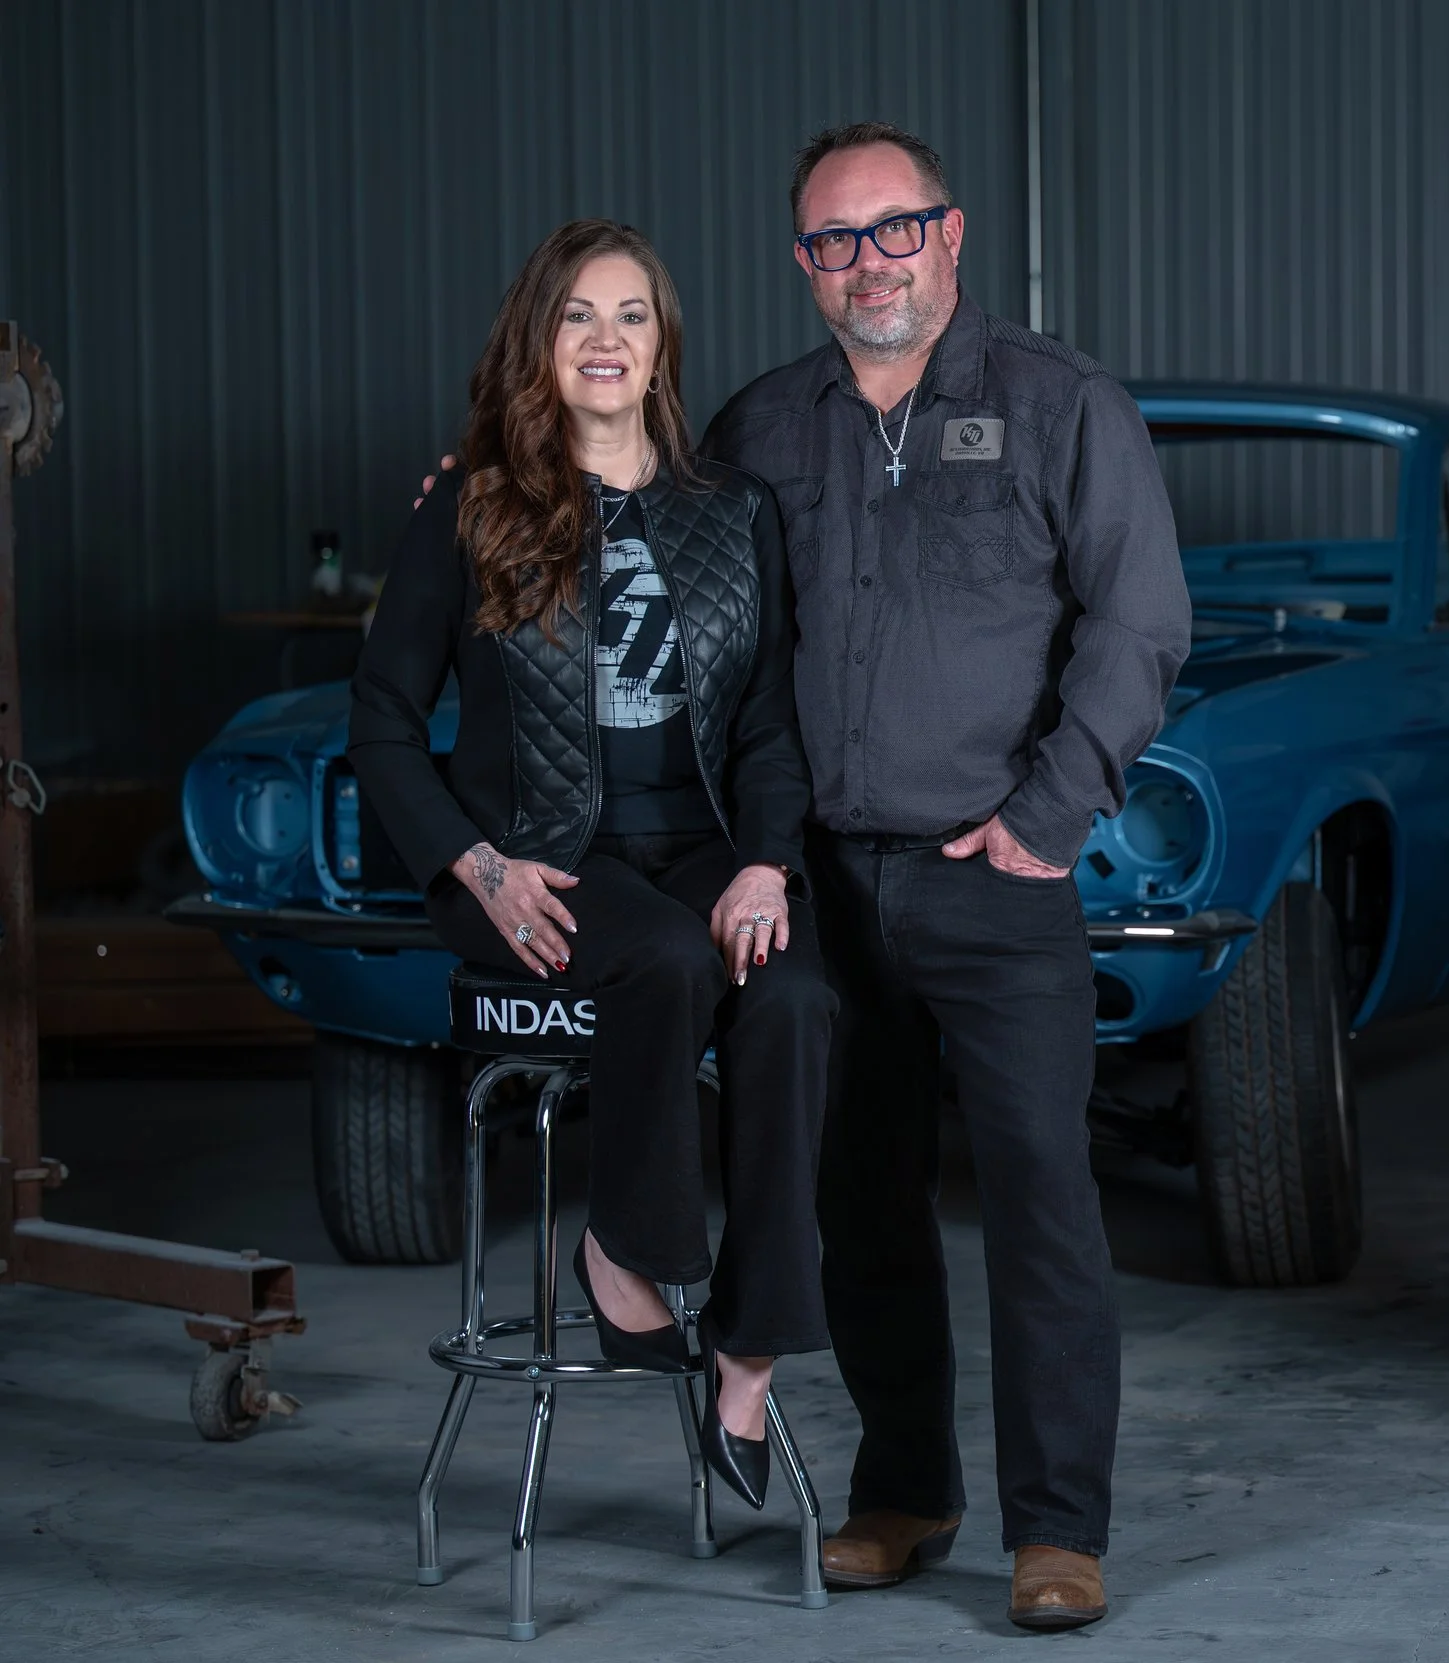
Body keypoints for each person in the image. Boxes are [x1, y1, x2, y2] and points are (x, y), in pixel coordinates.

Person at [701, 122, 1191, 1630]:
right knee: (866, 1198)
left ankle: (1059, 1531)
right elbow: (681, 590)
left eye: (893, 230)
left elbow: (1139, 624)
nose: (868, 264)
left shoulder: (1059, 406)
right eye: (834, 242)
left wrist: (1049, 815)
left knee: (1043, 1198)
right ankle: (904, 1489)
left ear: (952, 234)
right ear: (804, 265)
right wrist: (489, 488)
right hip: (825, 886)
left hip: (994, 875)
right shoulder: (763, 430)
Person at [353, 219, 834, 1512]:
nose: (607, 339)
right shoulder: (471, 506)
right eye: (578, 315)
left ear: (664, 342)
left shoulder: (734, 513)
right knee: (667, 960)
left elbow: (774, 725)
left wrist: (768, 868)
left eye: (631, 314)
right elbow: (383, 722)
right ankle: (624, 1247)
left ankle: (749, 1352)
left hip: (703, 845)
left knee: (794, 997)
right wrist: (477, 862)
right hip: (530, 861)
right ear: (539, 341)